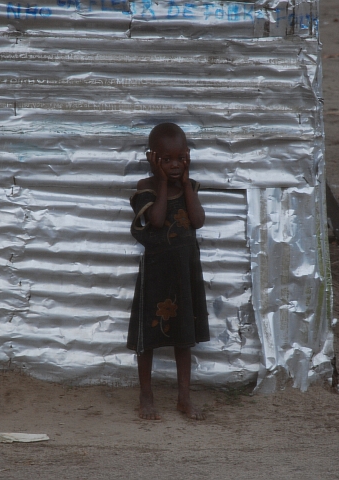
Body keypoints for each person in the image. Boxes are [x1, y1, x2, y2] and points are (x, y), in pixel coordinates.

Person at [127, 123, 209, 420]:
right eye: (166, 160)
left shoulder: (190, 187)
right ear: (153, 158)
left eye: (180, 159)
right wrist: (163, 183)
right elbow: (158, 221)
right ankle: (146, 395)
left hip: (184, 272)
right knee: (147, 336)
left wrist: (185, 184)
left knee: (183, 336)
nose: (174, 166)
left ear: (188, 156)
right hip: (156, 273)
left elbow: (198, 220)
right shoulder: (145, 189)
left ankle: (183, 398)